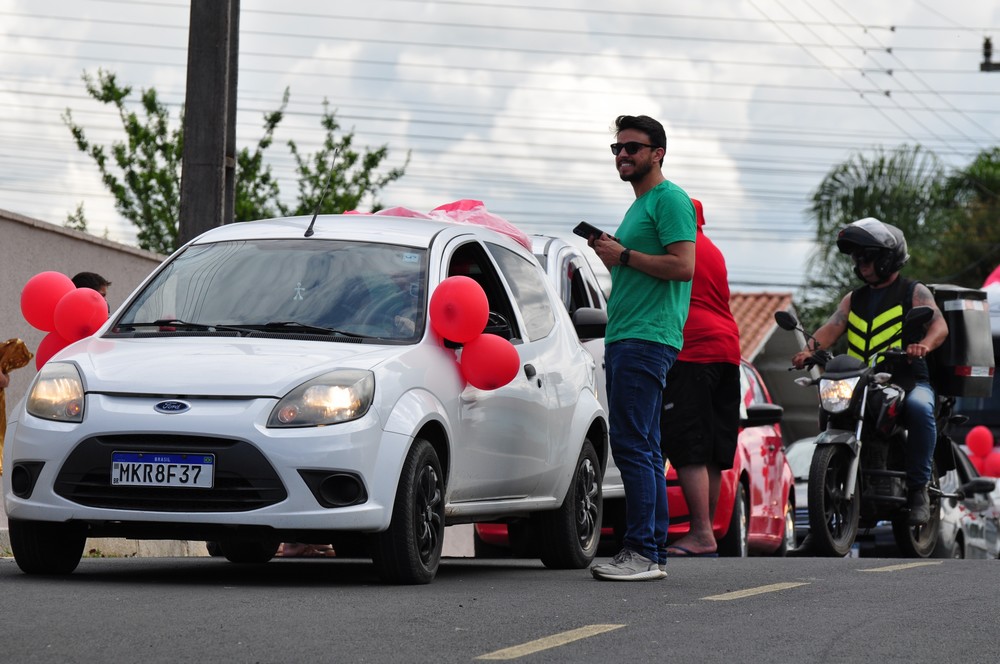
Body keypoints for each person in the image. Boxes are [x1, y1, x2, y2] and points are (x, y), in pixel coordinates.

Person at [586, 115, 696, 581]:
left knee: (633, 445)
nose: (623, 154)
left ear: (658, 153)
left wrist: (623, 255)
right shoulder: (640, 206)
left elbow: (683, 266)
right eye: (617, 148)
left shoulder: (669, 199)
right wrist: (616, 256)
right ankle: (651, 550)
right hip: (633, 334)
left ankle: (642, 552)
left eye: (633, 147)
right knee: (645, 446)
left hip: (645, 336)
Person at [791, 218, 948, 525]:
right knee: (831, 409)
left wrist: (924, 346)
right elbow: (832, 327)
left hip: (908, 379)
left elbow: (939, 326)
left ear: (888, 258)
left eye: (867, 256)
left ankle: (918, 490)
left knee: (918, 409)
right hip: (861, 380)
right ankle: (822, 519)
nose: (860, 263)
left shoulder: (912, 292)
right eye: (857, 257)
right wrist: (809, 350)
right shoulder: (855, 298)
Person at [660, 199, 740, 558]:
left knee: (689, 446)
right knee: (710, 450)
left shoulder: (678, 249)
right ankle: (706, 531)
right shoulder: (712, 250)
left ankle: (700, 533)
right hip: (727, 351)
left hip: (692, 350)